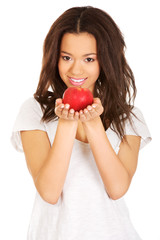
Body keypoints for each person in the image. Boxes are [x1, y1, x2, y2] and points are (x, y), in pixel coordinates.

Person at [11, 6, 152, 240]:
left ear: (105, 60)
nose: (76, 69)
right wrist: (66, 124)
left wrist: (94, 125)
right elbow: (49, 191)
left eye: (89, 59)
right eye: (66, 57)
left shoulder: (129, 117)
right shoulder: (35, 111)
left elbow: (117, 189)